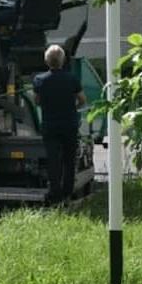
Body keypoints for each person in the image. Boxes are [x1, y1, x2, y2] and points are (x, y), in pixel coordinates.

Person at [33, 43, 86, 203]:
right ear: (63, 61)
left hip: (50, 125)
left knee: (53, 158)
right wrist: (73, 107)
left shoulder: (39, 80)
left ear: (46, 61)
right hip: (69, 123)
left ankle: (54, 191)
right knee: (69, 159)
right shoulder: (71, 78)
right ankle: (67, 191)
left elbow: (37, 101)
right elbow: (82, 100)